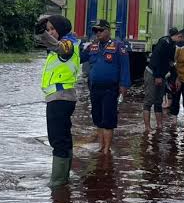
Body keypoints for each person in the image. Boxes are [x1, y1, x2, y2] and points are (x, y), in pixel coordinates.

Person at [34, 15, 80, 189]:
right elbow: (51, 45)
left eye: (53, 29)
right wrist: (43, 34)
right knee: (64, 139)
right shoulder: (68, 42)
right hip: (61, 98)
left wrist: (43, 34)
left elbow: (60, 48)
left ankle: (57, 183)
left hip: (59, 98)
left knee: (58, 141)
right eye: (48, 29)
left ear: (61, 29)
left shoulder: (67, 44)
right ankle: (63, 179)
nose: (50, 32)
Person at [81, 19, 130, 154]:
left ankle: (107, 149)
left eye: (101, 30)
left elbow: (125, 67)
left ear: (108, 31)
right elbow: (79, 58)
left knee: (108, 119)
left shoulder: (118, 46)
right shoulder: (92, 47)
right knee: (97, 118)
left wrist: (124, 85)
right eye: (96, 30)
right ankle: (101, 146)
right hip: (94, 87)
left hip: (110, 88)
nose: (98, 33)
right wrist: (78, 44)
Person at [143, 29, 184, 132]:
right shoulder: (164, 42)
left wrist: (177, 77)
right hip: (152, 74)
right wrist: (157, 76)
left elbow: (170, 63)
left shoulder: (172, 46)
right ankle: (147, 127)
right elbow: (156, 59)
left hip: (161, 76)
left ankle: (159, 125)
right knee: (149, 101)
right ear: (180, 37)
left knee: (158, 101)